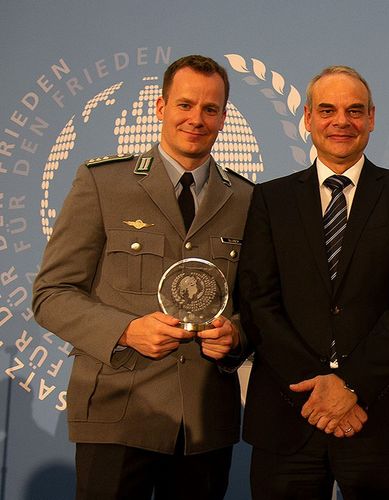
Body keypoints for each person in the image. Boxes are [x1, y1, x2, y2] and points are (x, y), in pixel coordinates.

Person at [32, 54, 253, 499]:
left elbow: (257, 306)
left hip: (205, 425)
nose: (196, 119)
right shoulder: (102, 184)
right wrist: (127, 330)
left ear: (223, 118)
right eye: (185, 105)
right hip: (117, 413)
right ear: (160, 107)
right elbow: (51, 294)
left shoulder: (248, 200)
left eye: (210, 109)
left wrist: (236, 338)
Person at [237, 65, 389, 499]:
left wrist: (351, 386)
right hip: (289, 416)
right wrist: (319, 385)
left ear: (371, 118)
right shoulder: (270, 199)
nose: (341, 121)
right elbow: (257, 301)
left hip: (378, 417)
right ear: (307, 117)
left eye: (354, 111)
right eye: (327, 110)